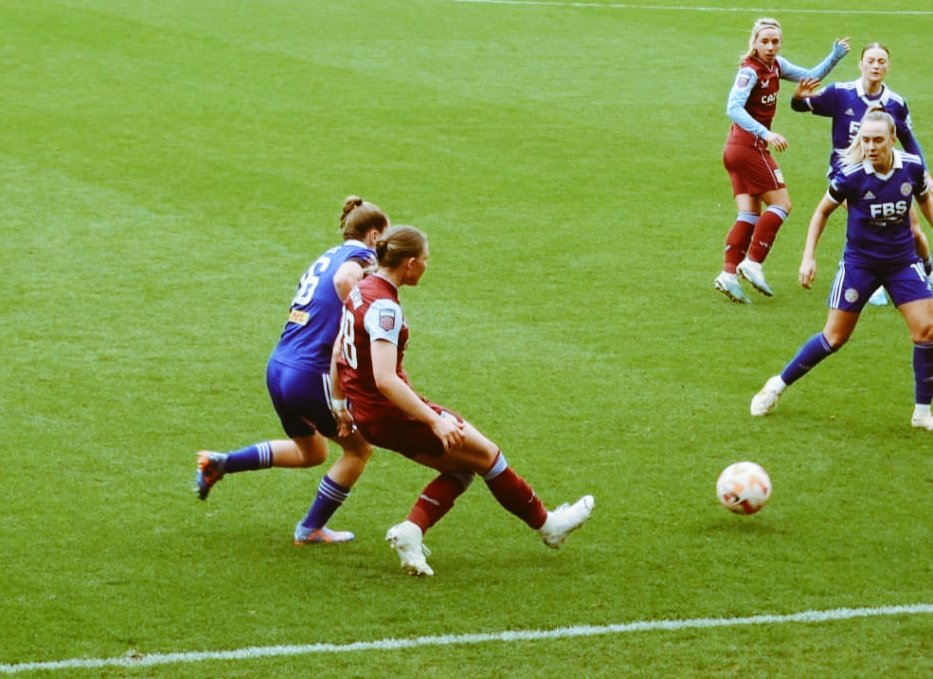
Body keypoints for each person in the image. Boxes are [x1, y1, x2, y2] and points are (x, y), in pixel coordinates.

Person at [330, 225, 594, 576]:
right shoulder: (384, 309)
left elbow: (338, 351)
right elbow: (386, 379)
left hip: (369, 414)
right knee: (488, 456)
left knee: (460, 466)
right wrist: (433, 420)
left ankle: (412, 531)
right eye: (425, 260)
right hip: (392, 412)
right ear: (409, 264)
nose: (427, 265)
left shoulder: (361, 290)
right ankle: (549, 526)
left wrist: (339, 404)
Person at [193, 196, 389, 544]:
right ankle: (310, 528)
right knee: (359, 450)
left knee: (311, 452)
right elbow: (346, 281)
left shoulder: (327, 255)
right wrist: (360, 317)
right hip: (312, 372)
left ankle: (221, 463)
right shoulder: (362, 257)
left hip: (280, 366)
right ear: (373, 235)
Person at [750, 110, 933, 431]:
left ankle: (922, 413)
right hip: (860, 265)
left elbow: (926, 202)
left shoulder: (912, 169)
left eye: (878, 140)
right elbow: (821, 213)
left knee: (927, 331)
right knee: (834, 337)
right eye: (865, 140)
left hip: (902, 263)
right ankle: (776, 385)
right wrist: (808, 258)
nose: (871, 146)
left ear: (892, 139)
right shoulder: (851, 175)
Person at [715, 17, 849, 304]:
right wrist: (767, 133)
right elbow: (733, 107)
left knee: (749, 214)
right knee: (782, 204)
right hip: (748, 147)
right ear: (754, 42)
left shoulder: (776, 66)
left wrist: (834, 56)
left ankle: (728, 274)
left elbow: (810, 76)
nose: (771, 46)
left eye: (775, 41)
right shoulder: (750, 71)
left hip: (736, 148)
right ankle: (753, 262)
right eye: (765, 41)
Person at [790, 42, 933, 307]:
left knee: (913, 230)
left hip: (886, 175)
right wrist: (798, 97)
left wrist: (924, 173)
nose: (876, 66)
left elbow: (909, 140)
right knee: (869, 219)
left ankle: (927, 271)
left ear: (888, 66)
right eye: (871, 61)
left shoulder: (896, 103)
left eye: (881, 61)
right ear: (861, 64)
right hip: (847, 176)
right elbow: (799, 106)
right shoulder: (840, 94)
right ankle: (876, 279)